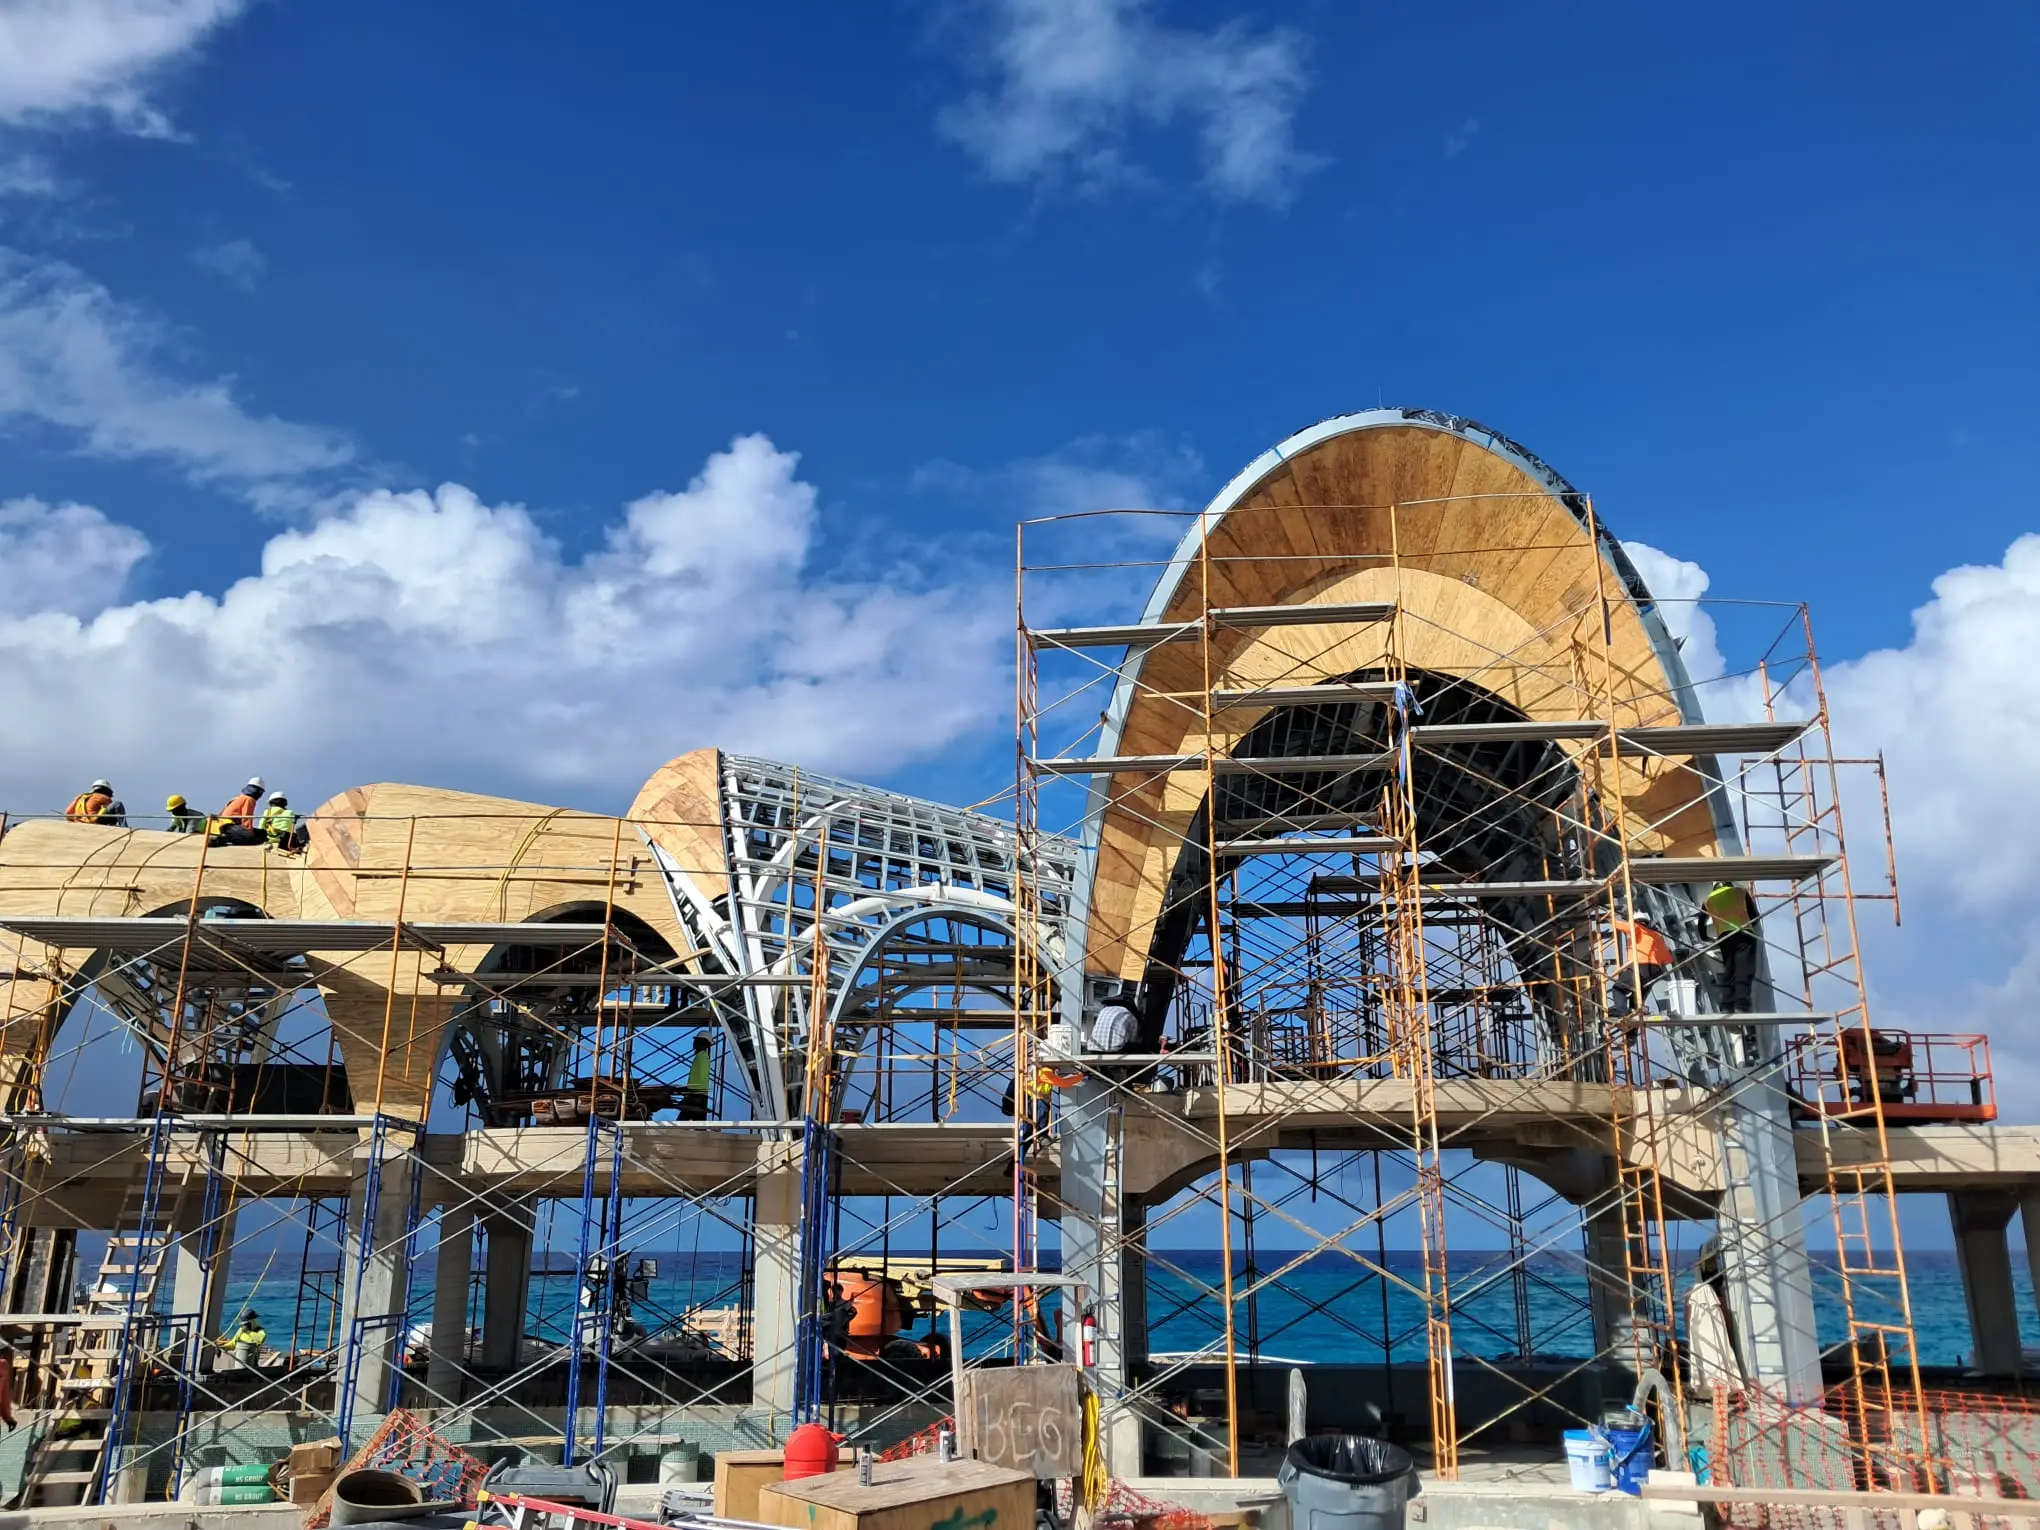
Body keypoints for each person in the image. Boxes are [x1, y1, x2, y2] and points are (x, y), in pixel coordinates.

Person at [1705, 881, 1761, 1014]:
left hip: (1724, 938)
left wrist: (1705, 937)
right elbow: (1755, 917)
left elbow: (1701, 923)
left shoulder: (1709, 899)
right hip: (1744, 934)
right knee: (1744, 970)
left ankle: (1726, 1005)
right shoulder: (1740, 892)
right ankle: (1741, 1005)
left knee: (1729, 969)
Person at [1609, 910, 1672, 1018]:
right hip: (1655, 971)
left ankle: (1621, 1011)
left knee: (1618, 988)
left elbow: (1627, 928)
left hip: (1641, 965)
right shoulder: (1657, 936)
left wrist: (1611, 920)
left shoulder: (1638, 927)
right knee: (1636, 1001)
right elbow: (1668, 959)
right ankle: (1632, 1031)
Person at [211, 778, 266, 845]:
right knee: (252, 838)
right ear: (259, 792)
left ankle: (227, 837)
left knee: (262, 833)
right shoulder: (249, 799)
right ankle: (222, 839)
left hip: (226, 826)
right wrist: (251, 835)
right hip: (229, 827)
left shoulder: (238, 798)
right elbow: (246, 818)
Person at [679, 1034, 713, 1120]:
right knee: (699, 1125)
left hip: (696, 1096)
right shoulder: (700, 1057)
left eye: (696, 1040)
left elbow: (702, 1078)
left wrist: (691, 1094)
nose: (694, 1043)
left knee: (681, 1123)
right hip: (697, 1096)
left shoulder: (702, 1057)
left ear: (701, 1043)